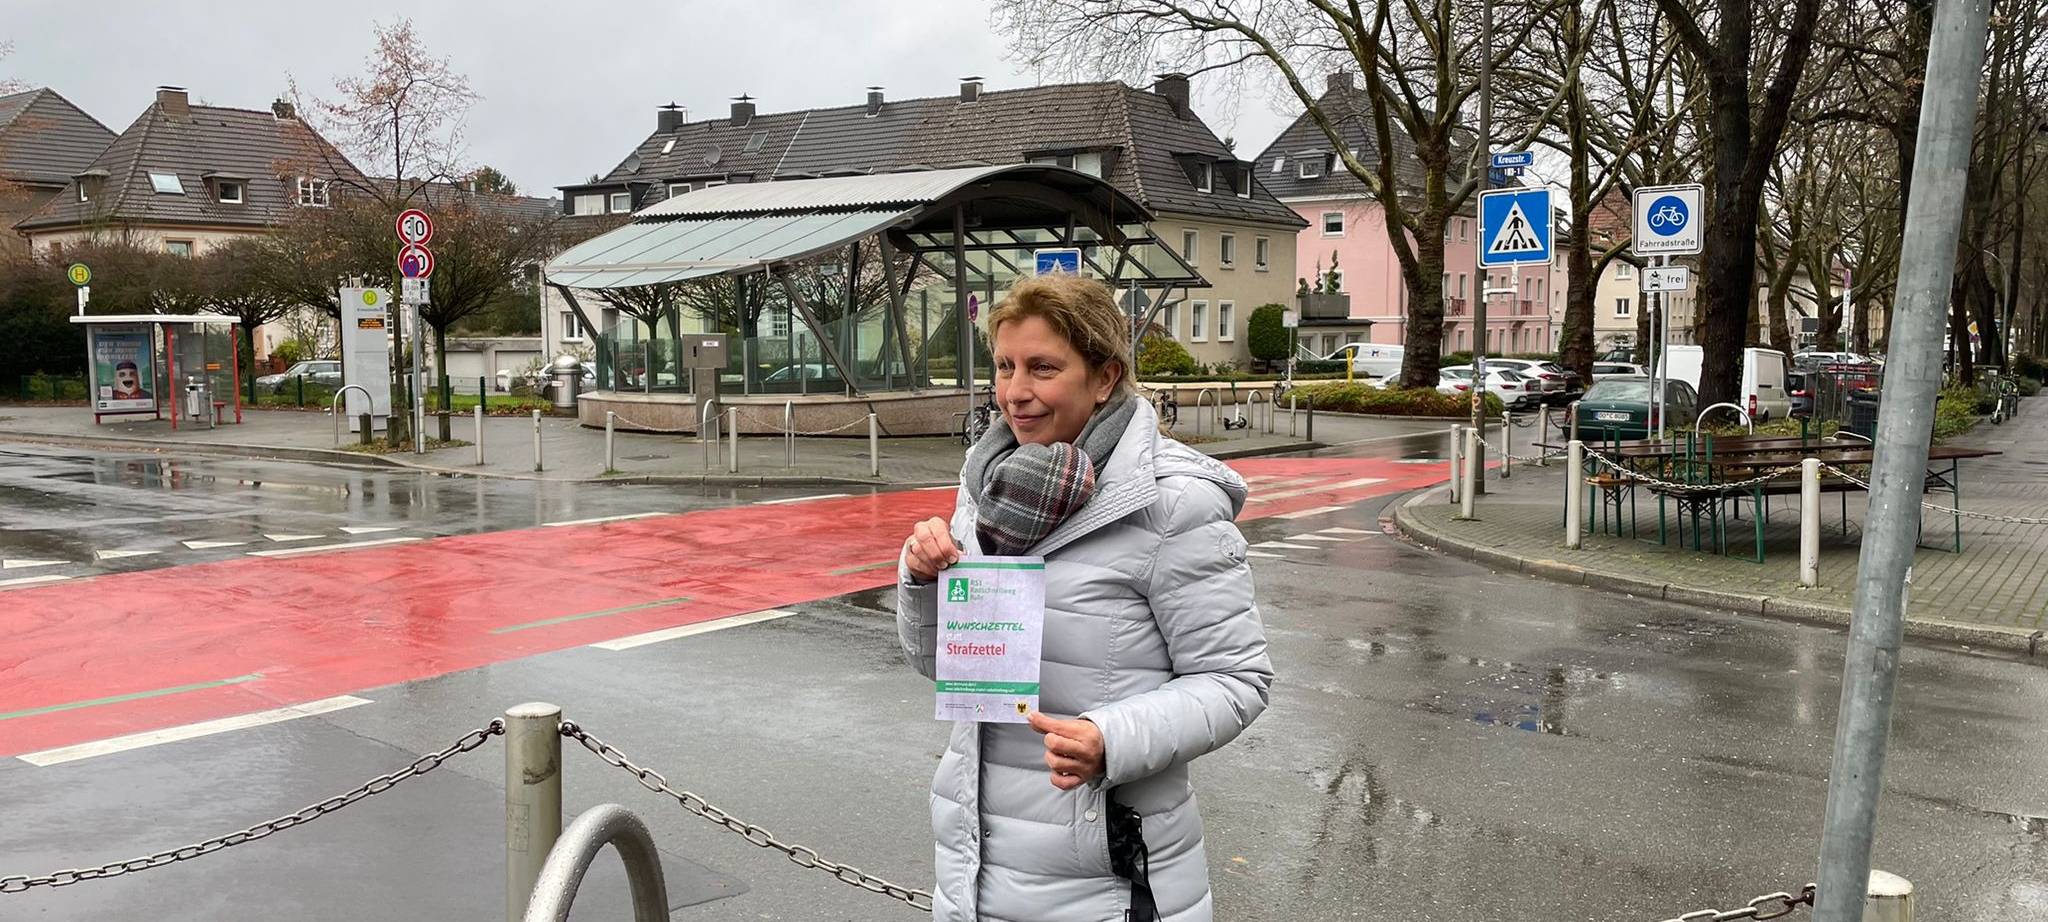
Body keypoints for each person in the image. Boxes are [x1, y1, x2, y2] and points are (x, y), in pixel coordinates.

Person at [898, 274, 1273, 922]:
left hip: (1108, 883)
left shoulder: (1173, 502)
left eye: (1043, 368)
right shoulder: (988, 483)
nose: (1016, 393)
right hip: (976, 869)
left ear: (1104, 377)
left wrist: (1111, 737)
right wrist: (922, 581)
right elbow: (945, 667)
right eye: (1006, 366)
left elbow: (1238, 680)